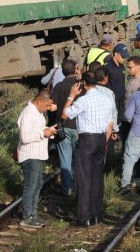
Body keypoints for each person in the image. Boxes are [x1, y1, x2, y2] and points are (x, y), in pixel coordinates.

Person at [62, 71, 115, 226]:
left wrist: (71, 95)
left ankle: (84, 217)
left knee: (84, 179)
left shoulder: (83, 100)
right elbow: (109, 124)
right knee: (97, 179)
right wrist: (104, 142)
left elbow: (65, 115)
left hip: (86, 141)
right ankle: (96, 214)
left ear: (84, 83)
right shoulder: (106, 99)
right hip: (100, 139)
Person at [16, 89, 58, 228]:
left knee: (38, 184)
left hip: (37, 155)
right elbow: (25, 137)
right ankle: (27, 216)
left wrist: (49, 131)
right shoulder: (28, 113)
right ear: (40, 101)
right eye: (47, 106)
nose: (48, 109)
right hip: (30, 155)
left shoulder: (37, 112)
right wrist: (43, 133)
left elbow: (39, 130)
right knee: (31, 186)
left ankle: (33, 214)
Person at [50, 58, 81, 196]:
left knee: (65, 159)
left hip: (63, 127)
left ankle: (67, 188)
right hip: (79, 127)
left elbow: (54, 107)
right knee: (77, 159)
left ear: (62, 71)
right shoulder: (81, 86)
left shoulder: (59, 86)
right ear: (75, 69)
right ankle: (76, 186)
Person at [107, 43, 130, 113]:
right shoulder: (107, 67)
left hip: (121, 100)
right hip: (112, 101)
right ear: (116, 54)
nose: (124, 58)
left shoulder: (122, 66)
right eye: (122, 56)